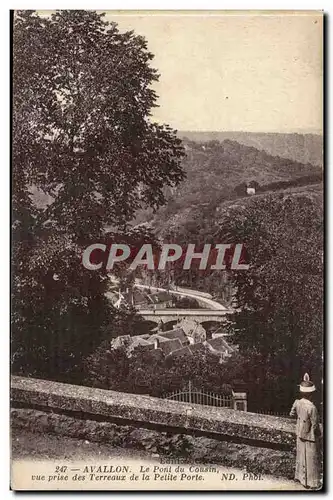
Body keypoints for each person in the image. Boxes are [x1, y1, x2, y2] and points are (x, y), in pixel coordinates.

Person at [289, 373, 322, 490]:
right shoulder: (312, 407)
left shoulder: (297, 402)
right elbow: (315, 425)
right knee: (311, 460)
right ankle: (312, 483)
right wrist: (319, 435)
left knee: (301, 457)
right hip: (310, 436)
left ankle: (300, 479)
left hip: (299, 433)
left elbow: (291, 414)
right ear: (312, 394)